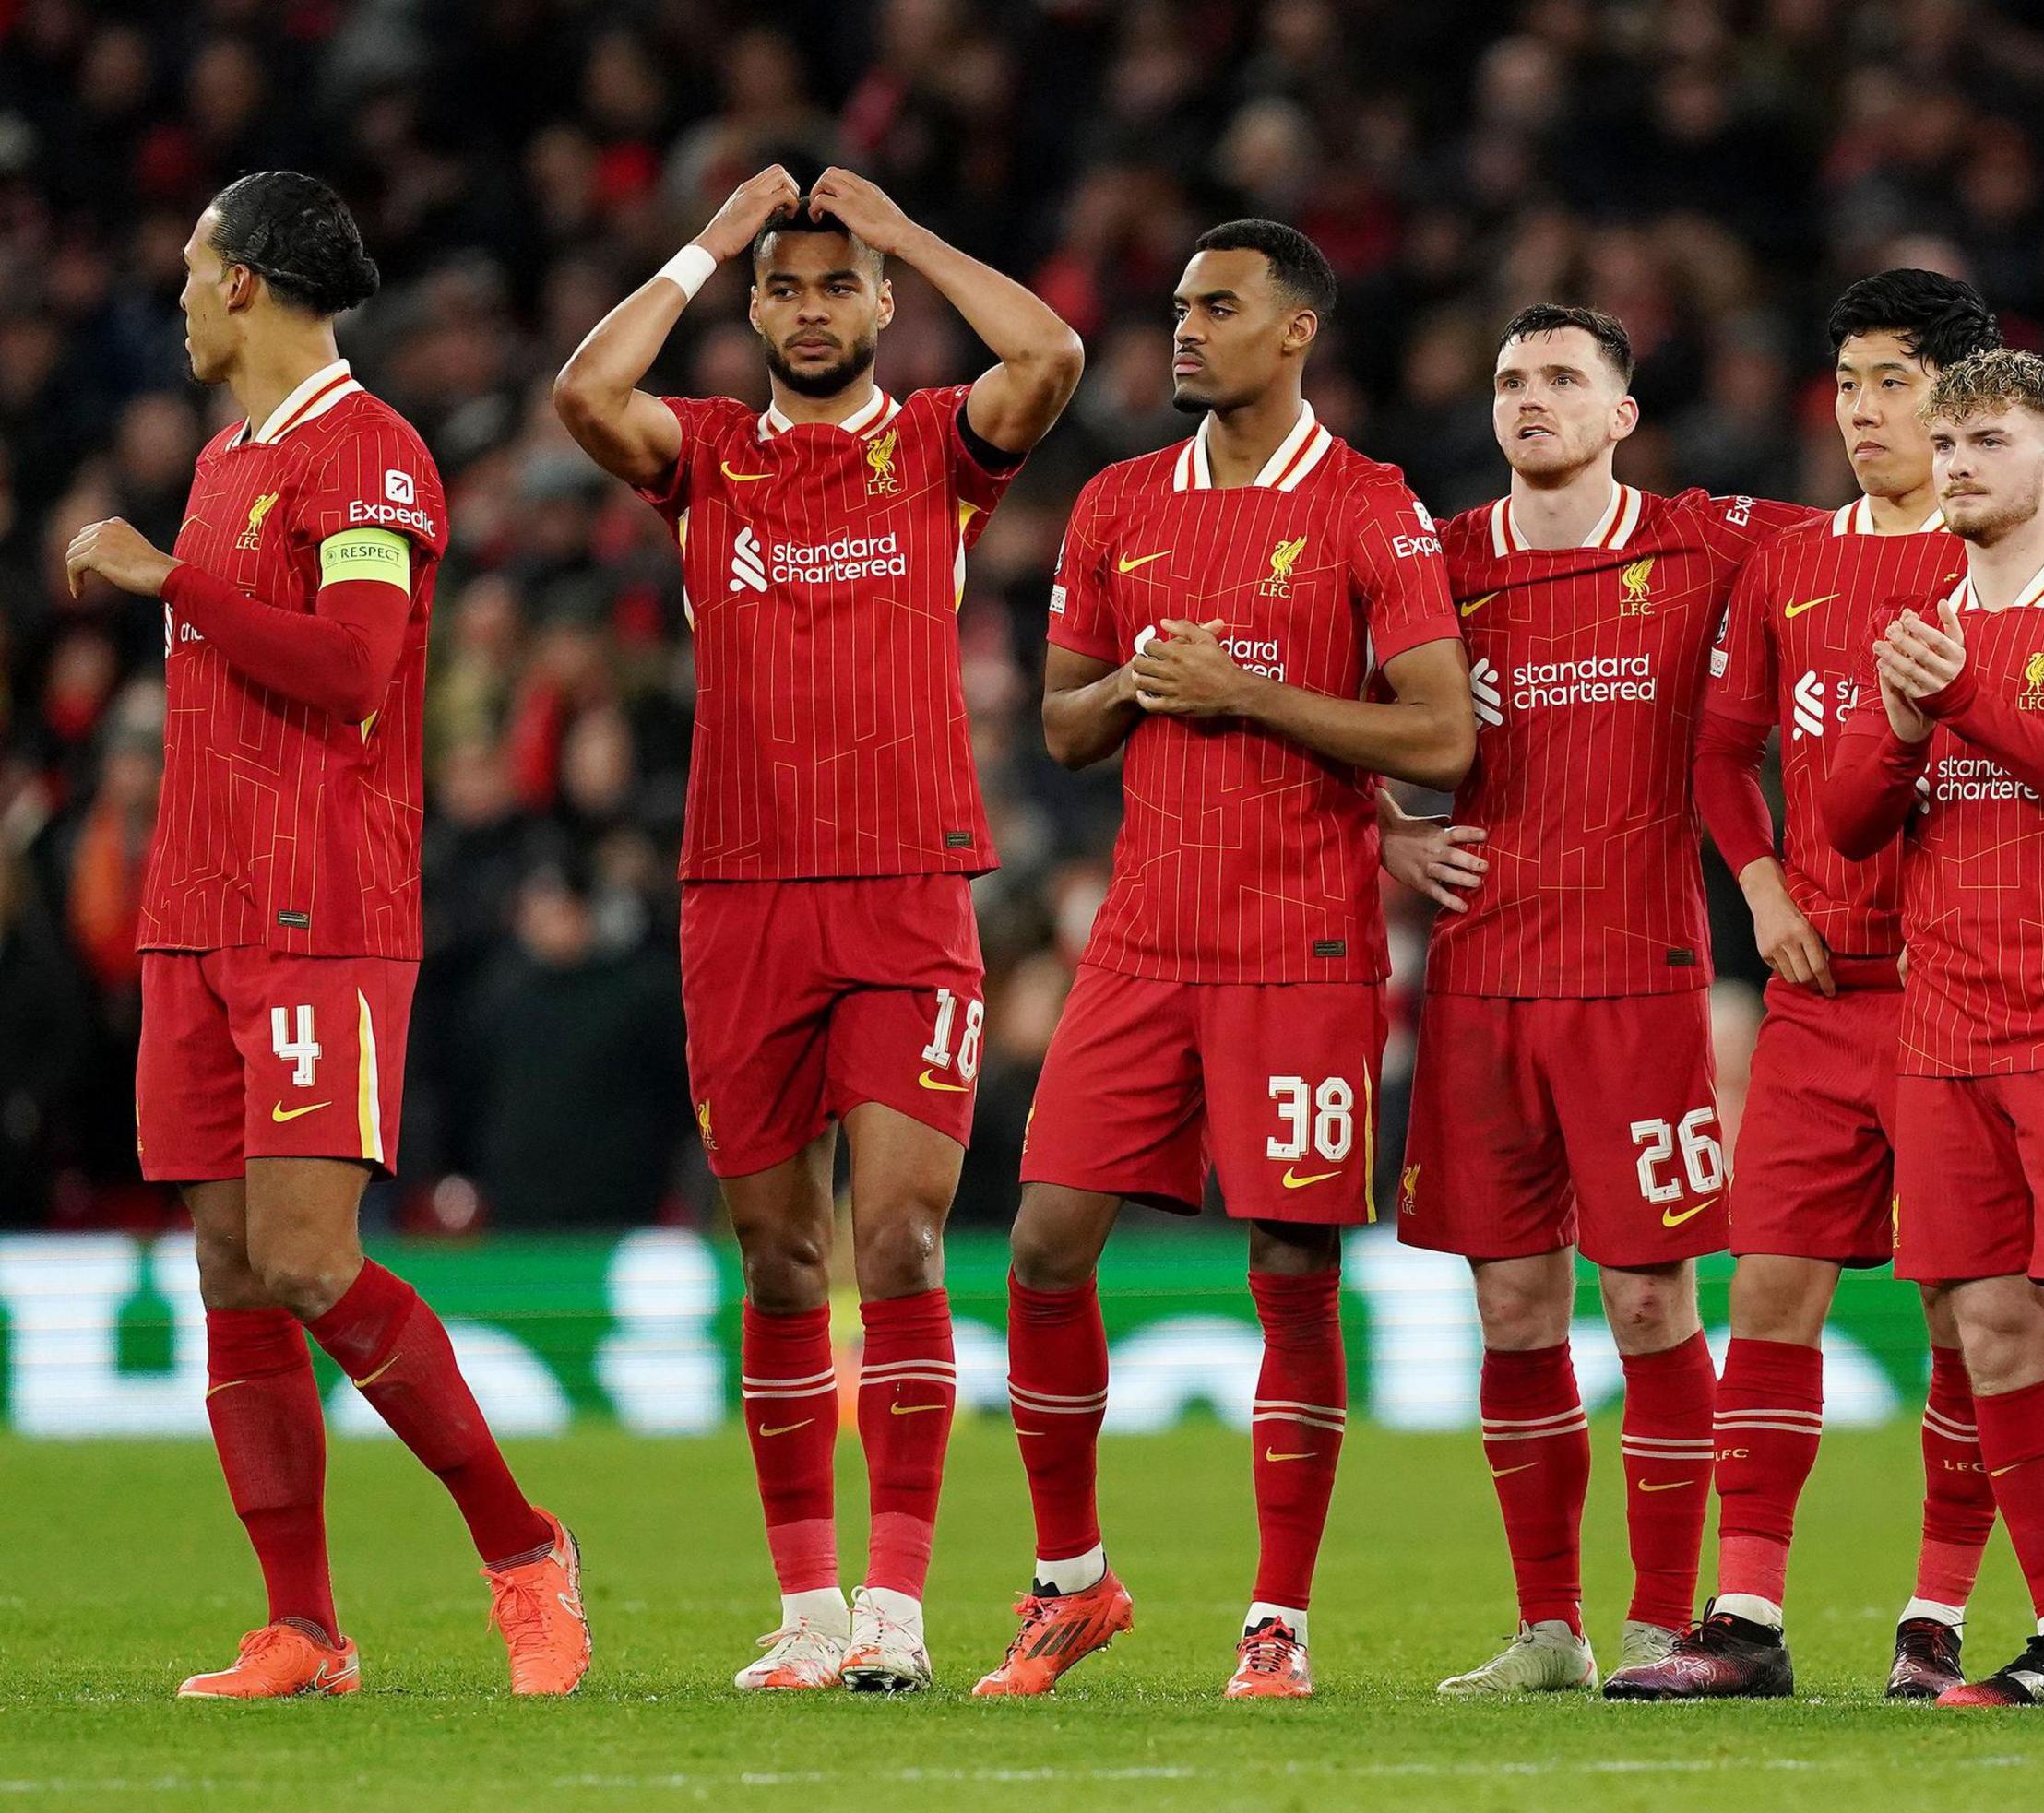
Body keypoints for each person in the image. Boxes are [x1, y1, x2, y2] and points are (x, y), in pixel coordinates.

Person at [553, 164, 1084, 1691]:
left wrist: (909, 224)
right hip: (739, 894)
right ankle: (802, 1608)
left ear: (879, 306)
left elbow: (1049, 357)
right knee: (780, 1254)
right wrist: (703, 239)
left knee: (901, 1233)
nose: (804, 310)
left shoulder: (933, 449)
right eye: (778, 288)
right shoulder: (708, 456)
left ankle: (895, 1609)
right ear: (751, 308)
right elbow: (586, 390)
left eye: (833, 285)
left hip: (909, 888)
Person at [65, 172, 590, 1697]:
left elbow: (357, 668)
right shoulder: (230, 457)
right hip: (198, 913)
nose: (173, 291)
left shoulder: (372, 461)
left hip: (319, 913)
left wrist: (175, 581)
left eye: (190, 266)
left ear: (247, 283)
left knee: (307, 1255)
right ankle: (304, 1622)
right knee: (232, 1267)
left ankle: (523, 1544)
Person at [995, 220, 1472, 1699]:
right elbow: (1064, 728)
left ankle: (1279, 1618)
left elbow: (1442, 737)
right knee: (1041, 1246)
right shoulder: (1118, 505)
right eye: (1181, 304)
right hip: (1143, 940)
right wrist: (1147, 681)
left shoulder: (1373, 509)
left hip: (1302, 944)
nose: (1185, 330)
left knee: (1289, 1265)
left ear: (1296, 333)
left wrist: (1247, 690)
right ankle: (1071, 1580)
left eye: (1220, 306)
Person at [1378, 305, 1811, 1697]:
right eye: (1511, 378)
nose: (1531, 398)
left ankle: (1662, 1618)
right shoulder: (1437, 564)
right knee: (1511, 1306)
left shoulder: (1706, 537)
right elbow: (1305, 707)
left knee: (1646, 1303)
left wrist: (2040, 506)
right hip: (1483, 980)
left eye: (1565, 378)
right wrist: (1386, 830)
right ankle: (1549, 1627)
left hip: (1639, 975)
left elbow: (1889, 534)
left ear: (1623, 414)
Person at [1623, 269, 2026, 1701]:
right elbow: (1721, 752)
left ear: (1964, 395)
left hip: (1954, 1002)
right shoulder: (1789, 562)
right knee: (1772, 1290)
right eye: (1849, 383)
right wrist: (1765, 892)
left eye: (1894, 383)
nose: (1863, 411)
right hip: (1813, 990)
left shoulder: (2007, 566)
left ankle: (1935, 1618)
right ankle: (1744, 1616)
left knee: (1963, 1317)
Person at [1816, 348, 2044, 1711]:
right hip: (1946, 1025)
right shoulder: (1919, 619)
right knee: (1991, 1332)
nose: (1959, 458)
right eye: (1950, 437)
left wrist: (1962, 697)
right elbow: (1850, 825)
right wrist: (1906, 720)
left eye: (1991, 437)